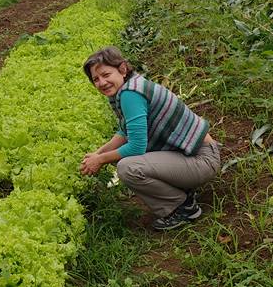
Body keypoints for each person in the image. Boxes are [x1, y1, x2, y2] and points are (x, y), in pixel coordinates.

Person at [79, 46, 221, 231]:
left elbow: (136, 147)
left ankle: (182, 207)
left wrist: (101, 159)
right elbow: (124, 133)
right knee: (119, 157)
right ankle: (181, 191)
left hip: (202, 160)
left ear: (122, 69)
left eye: (106, 74)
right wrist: (96, 155)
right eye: (96, 79)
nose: (102, 82)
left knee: (127, 166)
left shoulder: (130, 94)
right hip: (193, 156)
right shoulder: (130, 86)